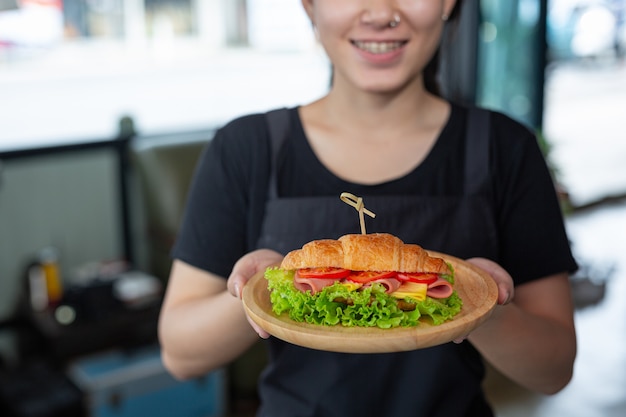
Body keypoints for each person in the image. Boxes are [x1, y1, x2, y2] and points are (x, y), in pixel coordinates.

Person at [158, 1, 578, 416]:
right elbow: (181, 354)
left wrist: (483, 305)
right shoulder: (245, 148)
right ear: (309, 5)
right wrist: (262, 289)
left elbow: (554, 370)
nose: (380, 13)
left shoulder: (505, 148)